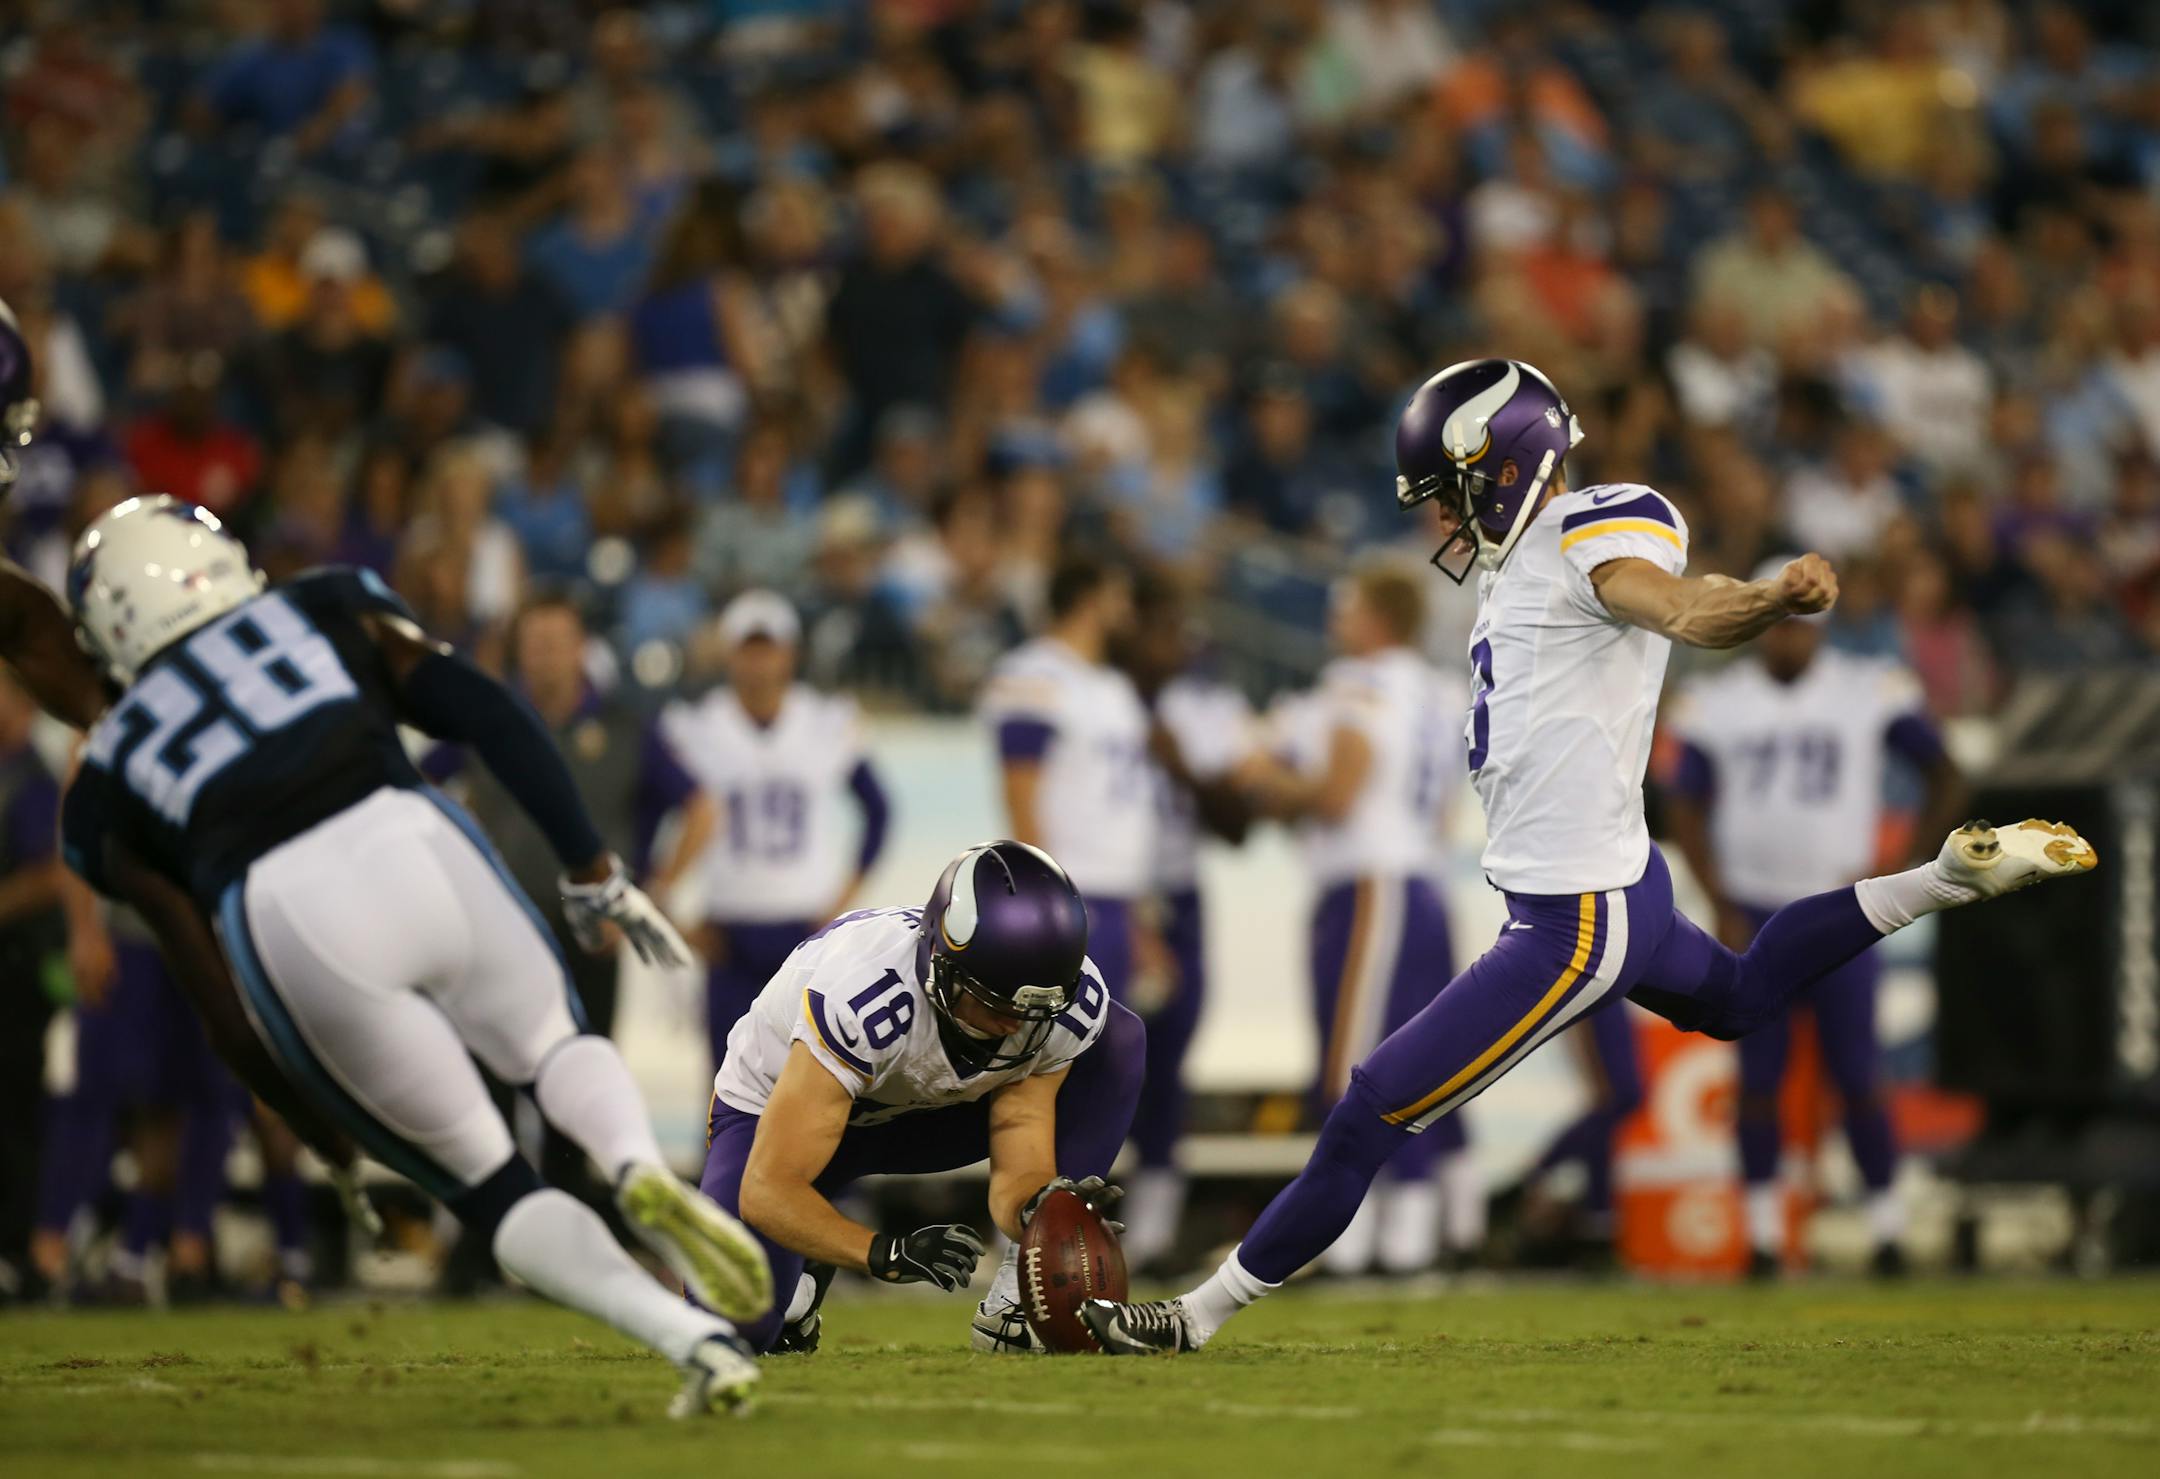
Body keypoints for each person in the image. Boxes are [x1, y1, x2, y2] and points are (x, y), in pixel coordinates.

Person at [1084, 358, 2098, 1355]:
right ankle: (1946, 876)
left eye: (1452, 491)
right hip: (1619, 886)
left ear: (1508, 465)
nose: (1445, 518)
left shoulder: (1588, 528)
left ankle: (1193, 1317)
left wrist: (1768, 599)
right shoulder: (1523, 561)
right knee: (1742, 997)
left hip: (1575, 918)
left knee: (1369, 1110)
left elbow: (1682, 605)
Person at [62, 497, 772, 1416]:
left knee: (488, 1181)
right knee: (554, 1044)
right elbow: (483, 707)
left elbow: (215, 994)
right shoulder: (317, 604)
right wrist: (590, 865)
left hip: (288, 914)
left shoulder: (108, 773)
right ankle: (634, 1162)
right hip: (408, 835)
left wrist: (308, 1121)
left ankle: (691, 1339)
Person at [697, 840, 1145, 1354]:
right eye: (993, 1004)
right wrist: (884, 1252)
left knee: (1117, 1038)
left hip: (928, 1116)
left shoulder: (1053, 1005)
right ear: (941, 964)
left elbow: (1019, 1130)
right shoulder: (863, 997)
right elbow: (766, 1189)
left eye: (1031, 1012)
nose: (1013, 1026)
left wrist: (1038, 1215)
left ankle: (1018, 1300)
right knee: (733, 1325)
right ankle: (801, 1281)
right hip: (783, 1121)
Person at [1663, 561, 1967, 1278]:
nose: (1789, 637)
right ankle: (1764, 1237)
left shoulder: (1867, 688)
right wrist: (1719, 899)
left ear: (1822, 628)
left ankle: (1887, 1230)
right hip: (1754, 910)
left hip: (1838, 910)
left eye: (1800, 624)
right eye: (1777, 622)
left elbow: (1946, 772)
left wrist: (1905, 864)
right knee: (1758, 1080)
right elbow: (1683, 805)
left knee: (1858, 1073)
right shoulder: (1717, 701)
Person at [1234, 564, 1480, 1277]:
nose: (1336, 619)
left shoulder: (1356, 684)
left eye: (1348, 607)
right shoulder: (1441, 689)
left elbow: (1339, 794)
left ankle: (1363, 1237)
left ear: (1379, 617)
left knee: (1355, 1066)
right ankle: (1427, 1229)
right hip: (1423, 881)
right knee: (1419, 1062)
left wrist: (1269, 787)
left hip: (1372, 886)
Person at [439, 592, 712, 1043]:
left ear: (581, 647)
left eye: (557, 641)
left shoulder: (624, 726)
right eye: (535, 642)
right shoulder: (487, 716)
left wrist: (650, 892)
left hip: (592, 935)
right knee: (500, 1068)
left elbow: (701, 808)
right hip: (502, 922)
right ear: (519, 650)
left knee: (588, 1062)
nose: (546, 655)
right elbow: (417, 782)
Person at [664, 590, 892, 1068]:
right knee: (729, 1076)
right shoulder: (696, 726)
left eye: (769, 649)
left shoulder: (826, 722)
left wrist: (842, 900)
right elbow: (650, 812)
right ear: (729, 654)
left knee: (813, 1075)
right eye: (749, 650)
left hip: (804, 929)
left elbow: (879, 810)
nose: (759, 664)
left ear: (791, 654)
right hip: (728, 932)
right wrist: (672, 913)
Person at [1114, 574, 1255, 1273]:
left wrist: (1185, 770)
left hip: (1181, 900)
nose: (1179, 647)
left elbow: (1238, 827)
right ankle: (1049, 1229)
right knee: (1091, 1068)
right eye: (1166, 630)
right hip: (1113, 900)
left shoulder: (1200, 710)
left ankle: (1151, 1235)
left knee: (1168, 1068)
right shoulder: (1098, 702)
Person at [979, 556, 1154, 1017]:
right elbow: (1019, 792)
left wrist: (1139, 924)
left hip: (1115, 893)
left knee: (1109, 1042)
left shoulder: (1114, 685)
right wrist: (1043, 897)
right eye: (1117, 596)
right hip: (1070, 891)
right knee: (1058, 1042)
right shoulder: (1034, 673)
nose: (1127, 609)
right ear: (1088, 600)